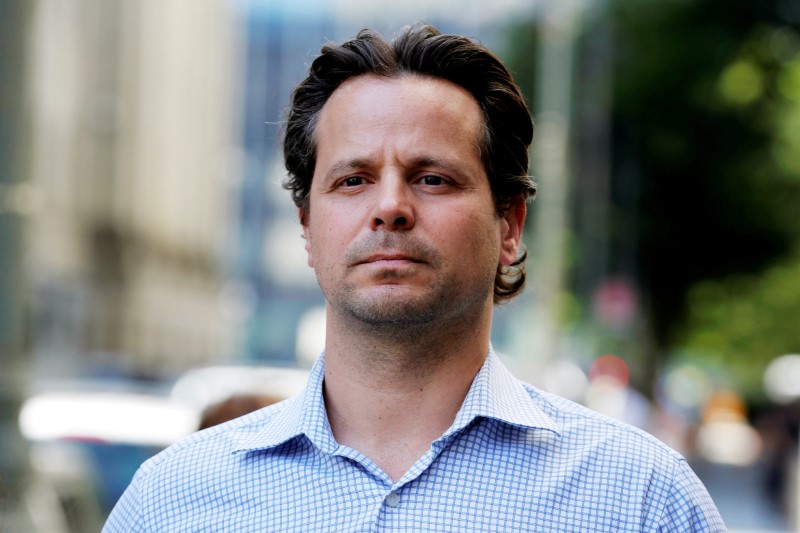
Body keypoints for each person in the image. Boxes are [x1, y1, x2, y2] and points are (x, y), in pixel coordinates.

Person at [104, 24, 726, 531]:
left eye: (433, 178)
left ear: (509, 225)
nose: (389, 206)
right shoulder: (170, 503)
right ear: (306, 228)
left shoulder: (643, 501)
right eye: (353, 180)